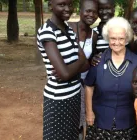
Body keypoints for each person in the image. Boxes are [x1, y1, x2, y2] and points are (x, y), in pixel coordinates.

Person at [36, 0, 88, 139]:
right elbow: (65, 73)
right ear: (50, 6)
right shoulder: (47, 32)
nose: (67, 8)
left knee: (72, 135)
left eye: (70, 4)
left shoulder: (69, 30)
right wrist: (79, 61)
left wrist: (73, 67)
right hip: (58, 99)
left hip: (75, 94)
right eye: (62, 4)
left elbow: (82, 66)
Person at [84, 17, 137, 140]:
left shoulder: (135, 62)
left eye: (121, 38)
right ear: (107, 38)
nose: (117, 42)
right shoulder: (98, 61)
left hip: (127, 122)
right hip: (100, 121)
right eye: (113, 38)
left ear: (127, 39)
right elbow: (88, 86)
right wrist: (89, 112)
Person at [68, 0, 98, 139]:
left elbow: (88, 64)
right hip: (68, 82)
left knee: (83, 120)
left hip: (84, 83)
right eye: (87, 11)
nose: (91, 14)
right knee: (71, 121)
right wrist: (85, 62)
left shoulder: (94, 35)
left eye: (94, 12)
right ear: (80, 11)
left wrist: (90, 62)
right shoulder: (68, 28)